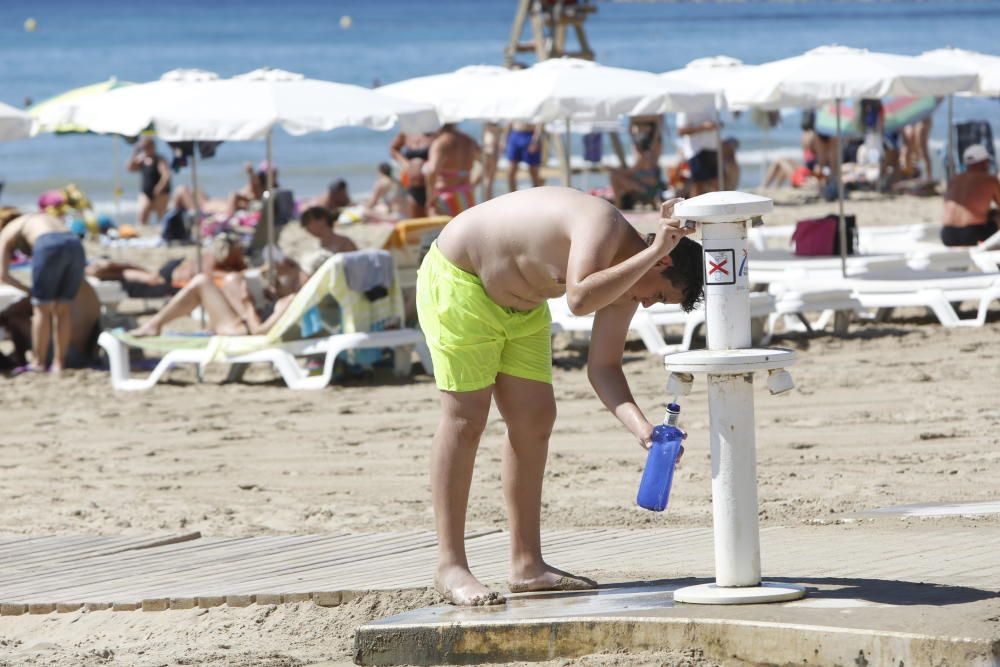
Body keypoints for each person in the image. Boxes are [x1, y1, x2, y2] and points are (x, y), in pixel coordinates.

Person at [416, 187, 703, 605]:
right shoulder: (603, 223)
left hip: (525, 307)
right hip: (461, 281)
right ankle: (450, 565)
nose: (646, 303)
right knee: (466, 419)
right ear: (661, 260)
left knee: (535, 419)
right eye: (658, 294)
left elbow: (603, 367)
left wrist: (642, 429)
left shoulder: (630, 282)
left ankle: (526, 564)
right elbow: (580, 297)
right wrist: (656, 246)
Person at [0, 211, 86, 374]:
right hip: (74, 243)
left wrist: (29, 290)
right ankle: (59, 363)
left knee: (41, 309)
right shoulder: (38, 217)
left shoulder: (7, 231)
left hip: (48, 244)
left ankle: (38, 362)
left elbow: (3, 275)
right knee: (63, 309)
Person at [941, 145, 1000, 246]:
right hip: (972, 234)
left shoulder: (954, 179)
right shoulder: (989, 179)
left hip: (947, 234)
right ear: (984, 162)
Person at [426, 123, 481, 217]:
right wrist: (474, 183)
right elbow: (485, 164)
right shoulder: (469, 140)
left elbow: (432, 170)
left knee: (443, 231)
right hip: (467, 193)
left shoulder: (441, 142)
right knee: (467, 230)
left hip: (446, 195)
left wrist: (430, 197)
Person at [128, 137, 172, 225]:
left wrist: (159, 187)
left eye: (147, 147)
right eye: (144, 147)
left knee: (162, 217)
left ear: (153, 147)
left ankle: (162, 233)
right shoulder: (142, 159)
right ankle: (142, 234)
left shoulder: (159, 159)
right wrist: (135, 151)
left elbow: (166, 175)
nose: (146, 149)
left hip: (160, 193)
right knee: (142, 214)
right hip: (146, 192)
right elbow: (130, 168)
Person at [676, 109, 720, 196]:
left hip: (712, 147)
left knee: (715, 183)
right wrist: (703, 127)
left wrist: (716, 126)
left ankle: (716, 207)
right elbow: (680, 131)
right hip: (695, 150)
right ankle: (695, 208)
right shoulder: (686, 105)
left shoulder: (712, 101)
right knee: (698, 184)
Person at [391, 132, 435, 218]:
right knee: (416, 216)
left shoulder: (433, 132)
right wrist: (405, 164)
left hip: (431, 183)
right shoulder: (406, 132)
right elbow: (393, 149)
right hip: (412, 183)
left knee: (432, 216)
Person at [505, 121, 544, 193]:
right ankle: (513, 195)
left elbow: (539, 122)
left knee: (533, 171)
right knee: (511, 170)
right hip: (515, 134)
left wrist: (535, 140)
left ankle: (537, 194)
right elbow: (510, 121)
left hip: (530, 135)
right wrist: (505, 139)